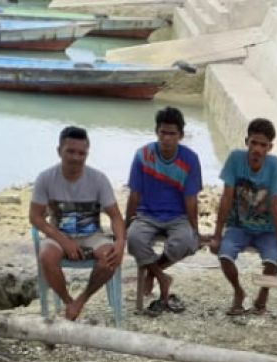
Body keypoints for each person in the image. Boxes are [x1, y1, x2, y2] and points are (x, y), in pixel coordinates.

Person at [207, 118, 277, 316]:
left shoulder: (274, 165)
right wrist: (217, 235)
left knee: (272, 262)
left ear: (270, 147)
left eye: (263, 145)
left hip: (266, 230)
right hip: (238, 226)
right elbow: (226, 198)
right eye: (254, 143)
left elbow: (276, 206)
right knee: (224, 255)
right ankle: (238, 291)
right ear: (246, 142)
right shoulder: (235, 159)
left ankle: (262, 298)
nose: (257, 149)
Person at [30, 125, 127, 322]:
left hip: (92, 235)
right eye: (70, 151)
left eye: (81, 153)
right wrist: (63, 241)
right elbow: (35, 217)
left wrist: (120, 242)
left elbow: (116, 216)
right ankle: (67, 301)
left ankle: (80, 301)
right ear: (59, 151)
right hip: (59, 234)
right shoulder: (46, 178)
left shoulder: (98, 179)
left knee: (110, 258)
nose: (76, 157)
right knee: (47, 256)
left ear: (87, 153)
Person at [126, 106, 204, 316]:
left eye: (172, 134)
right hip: (147, 214)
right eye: (163, 132)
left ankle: (153, 273)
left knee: (186, 242)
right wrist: (126, 224)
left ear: (180, 135)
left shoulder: (190, 159)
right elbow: (134, 193)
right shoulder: (143, 155)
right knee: (134, 239)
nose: (167, 138)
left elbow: (191, 199)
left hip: (177, 216)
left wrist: (195, 230)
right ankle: (162, 277)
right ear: (156, 132)